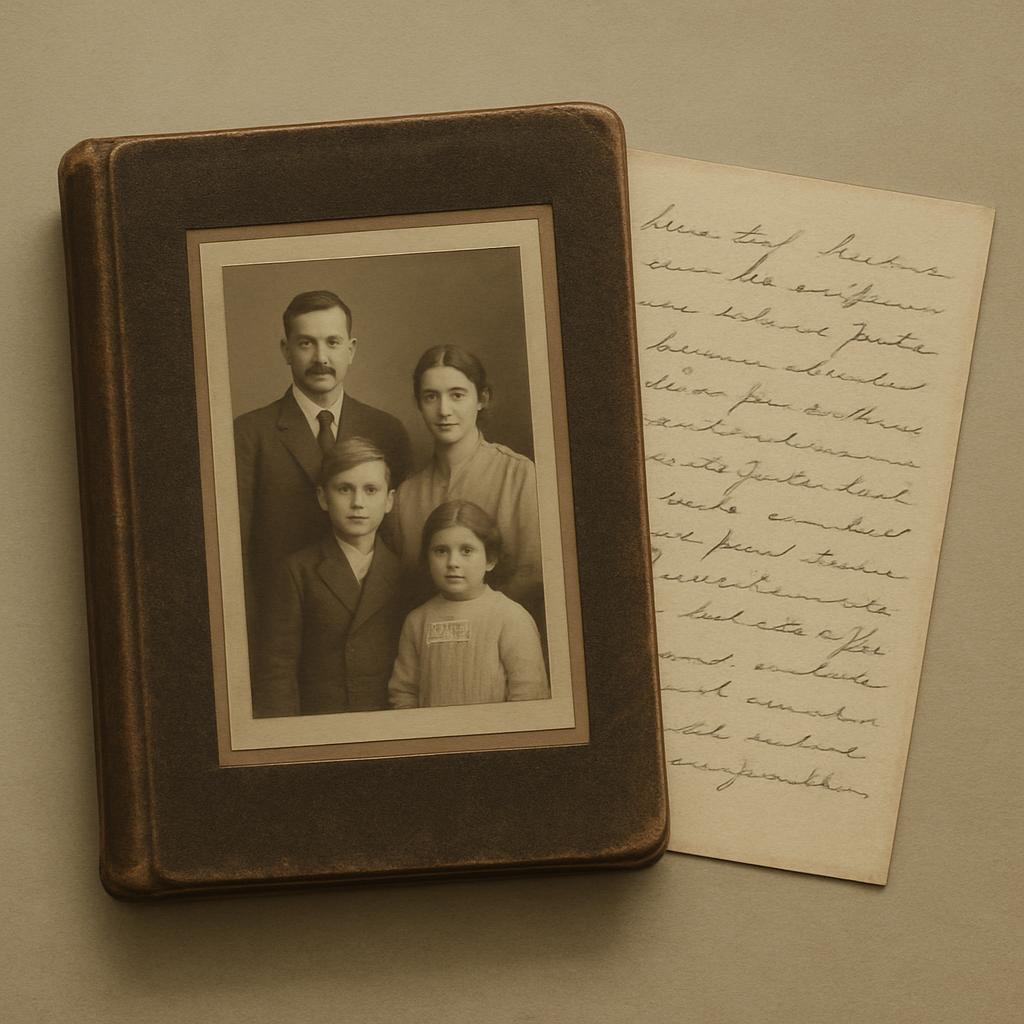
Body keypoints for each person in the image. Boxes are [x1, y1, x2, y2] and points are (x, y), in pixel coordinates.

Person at [234, 290, 412, 638]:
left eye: (332, 342)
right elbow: (234, 551)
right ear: (286, 350)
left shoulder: (387, 430)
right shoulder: (248, 434)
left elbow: (395, 542)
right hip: (280, 629)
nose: (321, 357)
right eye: (306, 344)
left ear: (352, 349)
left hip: (371, 626)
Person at [252, 439, 405, 717]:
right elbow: (277, 671)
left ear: (389, 501)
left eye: (371, 490)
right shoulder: (298, 571)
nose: (358, 503)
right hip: (321, 724)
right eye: (344, 489)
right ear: (323, 497)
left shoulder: (404, 574)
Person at [391, 345, 542, 613]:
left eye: (457, 395)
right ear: (418, 404)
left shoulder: (518, 475)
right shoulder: (406, 495)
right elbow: (405, 586)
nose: (444, 410)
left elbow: (532, 574)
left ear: (482, 398)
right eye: (431, 397)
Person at [388, 501, 548, 709]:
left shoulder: (511, 617)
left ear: (490, 559)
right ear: (427, 559)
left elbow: (529, 695)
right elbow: (404, 693)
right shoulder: (417, 621)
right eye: (441, 551)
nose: (453, 562)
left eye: (466, 550)